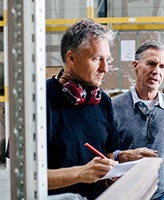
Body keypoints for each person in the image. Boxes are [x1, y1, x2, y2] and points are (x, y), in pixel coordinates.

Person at [112, 41, 164, 200]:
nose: (157, 71)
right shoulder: (114, 107)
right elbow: (105, 153)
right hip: (126, 194)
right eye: (151, 64)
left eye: (162, 67)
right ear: (135, 65)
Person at [46, 18, 118, 199]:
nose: (105, 68)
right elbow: (24, 177)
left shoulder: (103, 102)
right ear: (71, 57)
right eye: (96, 59)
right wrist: (79, 174)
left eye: (106, 60)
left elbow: (109, 157)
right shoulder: (38, 101)